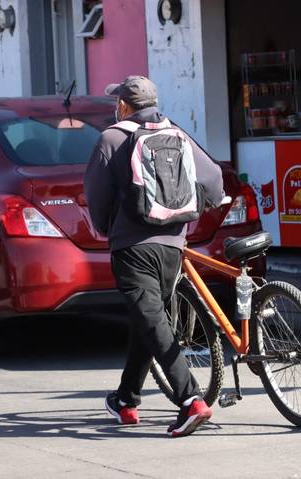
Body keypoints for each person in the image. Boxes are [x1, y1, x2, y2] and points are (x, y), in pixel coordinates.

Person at [84, 76, 225, 437]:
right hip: (173, 246)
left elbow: (97, 200)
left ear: (125, 106)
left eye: (119, 102)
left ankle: (190, 400)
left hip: (133, 248)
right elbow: (213, 180)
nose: (116, 107)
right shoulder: (176, 134)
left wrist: (107, 229)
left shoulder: (111, 138)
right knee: (147, 320)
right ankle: (126, 400)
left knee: (152, 322)